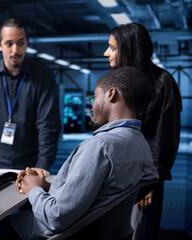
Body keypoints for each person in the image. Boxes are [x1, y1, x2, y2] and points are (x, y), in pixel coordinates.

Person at [0, 67, 158, 240]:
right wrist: (47, 186)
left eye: (95, 96)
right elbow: (98, 194)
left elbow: (55, 217)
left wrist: (33, 188)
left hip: (54, 231)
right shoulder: (141, 144)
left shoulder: (100, 146)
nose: (92, 105)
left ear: (111, 94)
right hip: (98, 232)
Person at [104, 23, 182, 240]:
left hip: (143, 178)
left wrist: (150, 182)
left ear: (128, 50)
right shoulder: (116, 83)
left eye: (112, 47)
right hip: (114, 175)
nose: (106, 53)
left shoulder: (162, 83)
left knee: (139, 233)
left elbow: (165, 138)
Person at [0, 18, 61, 174]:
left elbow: (47, 125)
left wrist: (43, 164)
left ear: (26, 43)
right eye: (9, 44)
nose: (15, 50)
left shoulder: (43, 76)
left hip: (31, 165)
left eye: (20, 43)